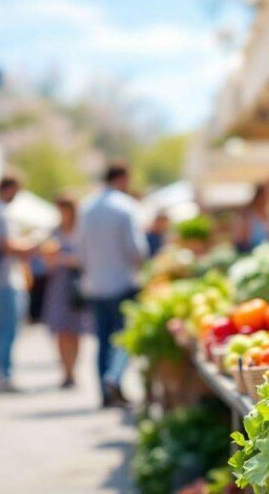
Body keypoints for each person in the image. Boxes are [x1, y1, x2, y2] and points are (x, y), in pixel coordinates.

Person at [77, 163, 146, 407]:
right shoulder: (125, 207)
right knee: (125, 338)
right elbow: (136, 250)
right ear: (122, 178)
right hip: (122, 283)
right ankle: (114, 379)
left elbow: (80, 251)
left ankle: (105, 392)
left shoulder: (86, 207)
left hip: (95, 285)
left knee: (102, 340)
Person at [0, 173, 40, 394]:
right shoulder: (1, 214)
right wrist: (33, 244)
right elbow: (9, 246)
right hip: (4, 281)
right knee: (5, 330)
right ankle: (1, 376)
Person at [41, 195, 91, 389]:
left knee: (76, 331)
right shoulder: (55, 232)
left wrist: (65, 259)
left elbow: (85, 259)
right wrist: (51, 258)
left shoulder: (81, 232)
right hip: (59, 285)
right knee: (61, 331)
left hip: (77, 285)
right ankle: (66, 371)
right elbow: (47, 262)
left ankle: (73, 369)